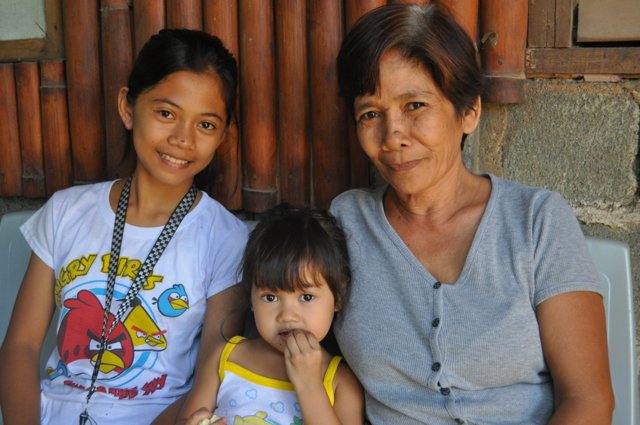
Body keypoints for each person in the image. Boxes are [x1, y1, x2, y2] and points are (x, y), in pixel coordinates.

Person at [329, 2, 614, 424]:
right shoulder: (346, 224)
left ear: (469, 112)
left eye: (415, 106)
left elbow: (588, 401)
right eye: (371, 114)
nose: (392, 137)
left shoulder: (536, 221)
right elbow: (293, 339)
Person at [0, 29, 249, 425]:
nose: (182, 138)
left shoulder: (227, 239)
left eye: (205, 125)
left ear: (222, 135)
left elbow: (211, 375)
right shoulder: (66, 212)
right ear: (128, 108)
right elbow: (21, 345)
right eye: (166, 113)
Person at [178, 206, 364, 425]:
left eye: (306, 297)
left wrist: (309, 385)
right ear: (252, 299)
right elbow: (185, 419)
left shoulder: (339, 382)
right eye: (270, 298)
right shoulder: (226, 357)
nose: (287, 315)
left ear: (339, 296)